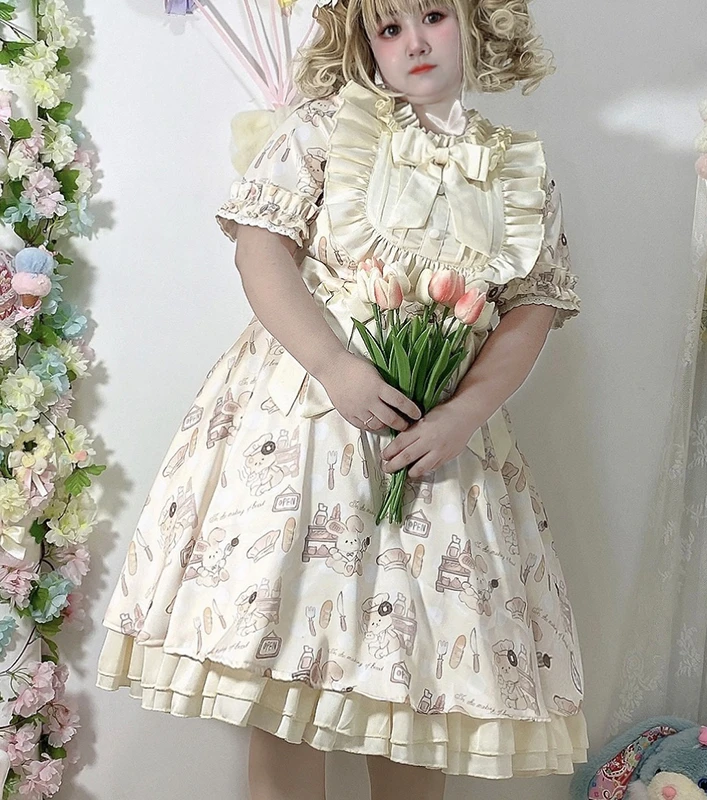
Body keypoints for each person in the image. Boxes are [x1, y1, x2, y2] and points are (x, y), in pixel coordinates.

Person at [96, 0, 589, 797]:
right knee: (292, 675)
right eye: (389, 28)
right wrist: (332, 363)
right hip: (307, 439)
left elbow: (530, 309)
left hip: (434, 452)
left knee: (418, 686)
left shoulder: (517, 169)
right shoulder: (324, 130)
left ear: (477, 21)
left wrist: (464, 414)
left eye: (433, 16)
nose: (414, 42)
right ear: (366, 43)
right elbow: (260, 250)